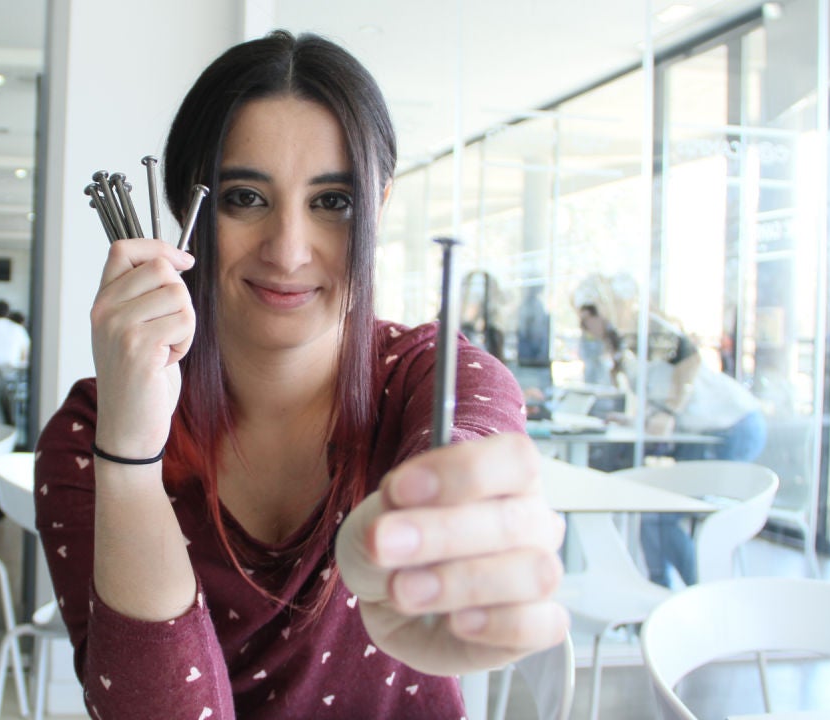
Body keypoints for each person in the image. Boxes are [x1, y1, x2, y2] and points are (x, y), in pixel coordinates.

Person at [34, 31, 566, 720]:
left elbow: (467, 445)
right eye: (244, 197)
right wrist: (130, 459)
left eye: (333, 202)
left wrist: (447, 531)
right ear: (185, 212)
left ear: (380, 206)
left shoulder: (435, 378)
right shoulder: (88, 436)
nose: (287, 252)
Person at [574, 273, 766, 586]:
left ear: (602, 310)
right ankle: (660, 591)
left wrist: (668, 412)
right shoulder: (624, 343)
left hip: (730, 426)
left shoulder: (645, 327)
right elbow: (659, 387)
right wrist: (640, 419)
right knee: (653, 515)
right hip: (699, 432)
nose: (585, 330)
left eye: (586, 321)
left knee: (660, 516)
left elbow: (689, 362)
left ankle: (696, 595)